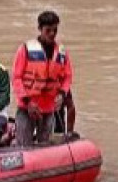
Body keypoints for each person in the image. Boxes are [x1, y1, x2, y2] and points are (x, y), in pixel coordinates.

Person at [11, 11, 73, 147]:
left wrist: (62, 94)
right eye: (48, 30)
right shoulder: (25, 49)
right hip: (27, 107)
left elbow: (67, 77)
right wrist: (28, 102)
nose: (52, 34)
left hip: (49, 108)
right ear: (40, 29)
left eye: (55, 30)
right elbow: (16, 78)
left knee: (45, 146)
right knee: (23, 145)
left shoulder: (62, 53)